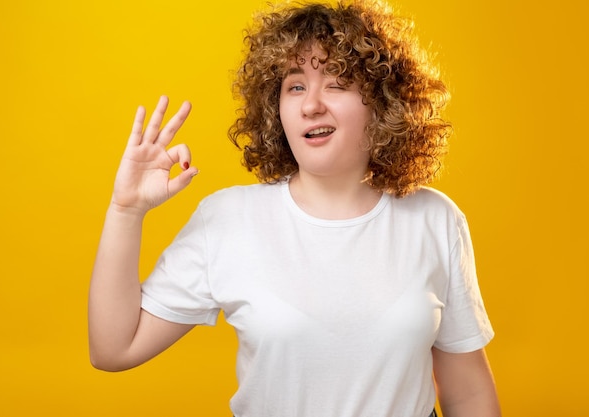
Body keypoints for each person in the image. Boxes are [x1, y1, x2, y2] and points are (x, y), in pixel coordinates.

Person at [88, 1, 501, 416]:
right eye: (295, 86)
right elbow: (113, 348)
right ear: (276, 108)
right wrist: (126, 210)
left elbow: (468, 394)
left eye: (337, 82)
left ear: (382, 103)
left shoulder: (434, 219)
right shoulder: (229, 220)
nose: (311, 105)